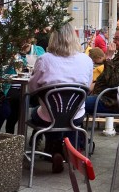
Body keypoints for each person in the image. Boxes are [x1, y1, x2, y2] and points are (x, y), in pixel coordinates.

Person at [27, 23, 93, 173]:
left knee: (40, 112)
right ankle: (69, 149)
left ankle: (55, 150)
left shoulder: (44, 59)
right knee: (67, 116)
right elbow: (87, 86)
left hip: (49, 116)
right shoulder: (86, 60)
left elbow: (32, 88)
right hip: (75, 115)